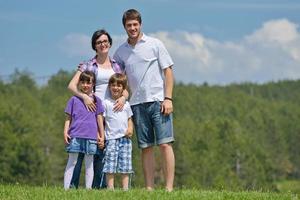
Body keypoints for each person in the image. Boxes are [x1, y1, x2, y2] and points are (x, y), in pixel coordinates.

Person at [113, 9, 175, 191]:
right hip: (136, 104)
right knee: (146, 147)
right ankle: (149, 188)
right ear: (124, 27)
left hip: (158, 101)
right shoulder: (121, 52)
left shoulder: (155, 44)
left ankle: (169, 188)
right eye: (128, 25)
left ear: (140, 24)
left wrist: (168, 98)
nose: (132, 28)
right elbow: (115, 75)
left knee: (164, 144)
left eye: (135, 24)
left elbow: (168, 71)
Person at [67, 29, 128, 189]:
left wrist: (123, 97)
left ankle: (96, 187)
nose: (103, 44)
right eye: (99, 42)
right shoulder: (88, 65)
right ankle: (72, 186)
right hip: (90, 111)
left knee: (104, 149)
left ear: (110, 43)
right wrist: (85, 97)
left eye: (105, 41)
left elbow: (125, 87)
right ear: (94, 45)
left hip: (111, 111)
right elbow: (72, 85)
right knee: (82, 151)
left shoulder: (117, 66)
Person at [63, 71, 105, 189]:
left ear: (93, 84)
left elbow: (99, 119)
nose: (85, 85)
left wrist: (102, 135)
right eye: (83, 82)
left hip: (91, 137)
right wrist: (65, 131)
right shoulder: (73, 100)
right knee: (72, 162)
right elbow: (68, 118)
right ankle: (66, 189)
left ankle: (88, 189)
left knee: (89, 164)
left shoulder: (97, 101)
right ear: (79, 84)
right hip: (75, 135)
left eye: (88, 82)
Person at [102, 73, 134, 190]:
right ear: (109, 87)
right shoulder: (106, 103)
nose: (116, 88)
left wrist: (130, 128)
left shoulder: (126, 104)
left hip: (125, 139)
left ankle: (125, 189)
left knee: (125, 165)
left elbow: (130, 119)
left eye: (119, 86)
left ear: (123, 88)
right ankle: (110, 188)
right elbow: (101, 120)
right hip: (111, 139)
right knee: (110, 164)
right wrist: (101, 135)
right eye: (113, 85)